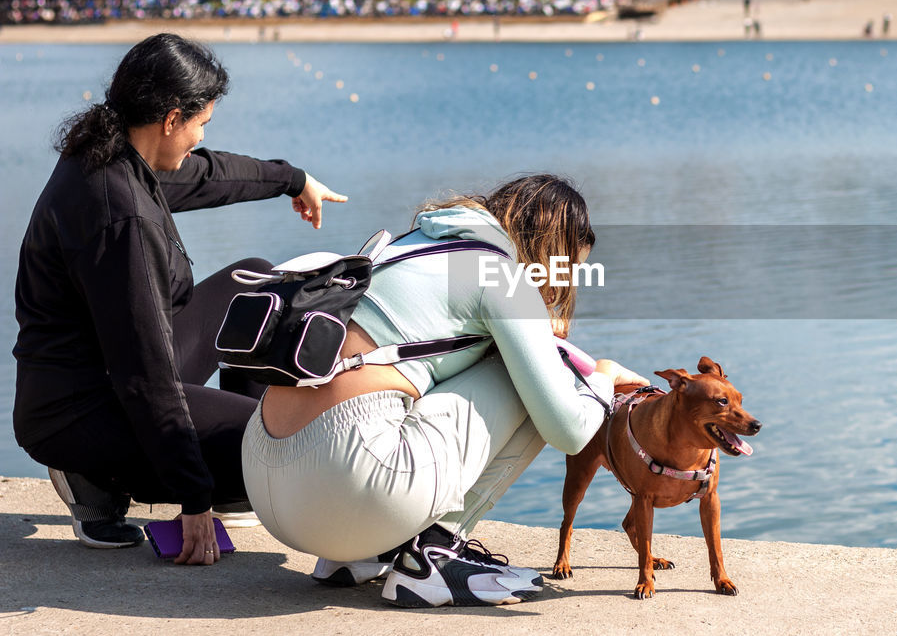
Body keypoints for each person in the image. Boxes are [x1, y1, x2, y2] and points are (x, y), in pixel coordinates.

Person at [12, 33, 345, 565]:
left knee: (260, 287)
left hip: (98, 379)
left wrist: (294, 180)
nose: (199, 137)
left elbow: (209, 174)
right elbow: (145, 372)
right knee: (283, 440)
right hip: (80, 411)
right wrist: (194, 497)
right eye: (200, 123)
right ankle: (97, 474)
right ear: (170, 119)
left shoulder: (113, 154)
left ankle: (235, 477)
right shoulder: (122, 215)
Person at [241, 174, 646, 608]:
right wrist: (601, 378)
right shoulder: (502, 274)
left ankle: (364, 553)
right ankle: (434, 554)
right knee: (543, 377)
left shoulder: (408, 244)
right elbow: (568, 431)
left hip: (268, 479)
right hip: (349, 483)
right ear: (553, 250)